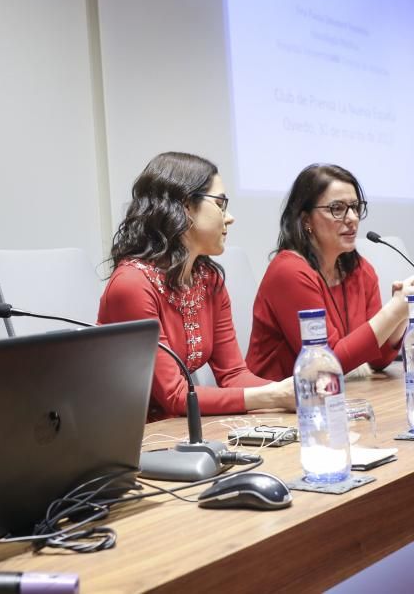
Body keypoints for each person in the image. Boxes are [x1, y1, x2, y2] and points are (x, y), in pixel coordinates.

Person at [98, 152, 295, 421]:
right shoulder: (132, 284)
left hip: (177, 430)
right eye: (221, 204)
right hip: (125, 436)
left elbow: (234, 375)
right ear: (185, 206)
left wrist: (295, 392)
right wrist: (274, 395)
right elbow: (175, 396)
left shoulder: (207, 279)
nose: (230, 218)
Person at [246, 164, 414, 382]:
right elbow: (327, 363)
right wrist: (393, 310)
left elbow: (376, 359)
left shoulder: (361, 271)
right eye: (337, 208)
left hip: (334, 396)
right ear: (306, 220)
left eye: (355, 207)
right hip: (278, 407)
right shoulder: (289, 272)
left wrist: (402, 314)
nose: (352, 217)